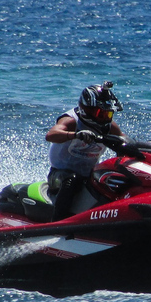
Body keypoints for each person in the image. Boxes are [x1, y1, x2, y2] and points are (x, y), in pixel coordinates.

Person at [45, 81, 125, 221]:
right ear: (86, 109)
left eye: (108, 114)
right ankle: (57, 224)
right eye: (101, 113)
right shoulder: (71, 121)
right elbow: (51, 135)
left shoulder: (109, 127)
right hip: (59, 175)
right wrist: (75, 134)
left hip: (88, 175)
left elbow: (125, 141)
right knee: (71, 180)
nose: (104, 118)